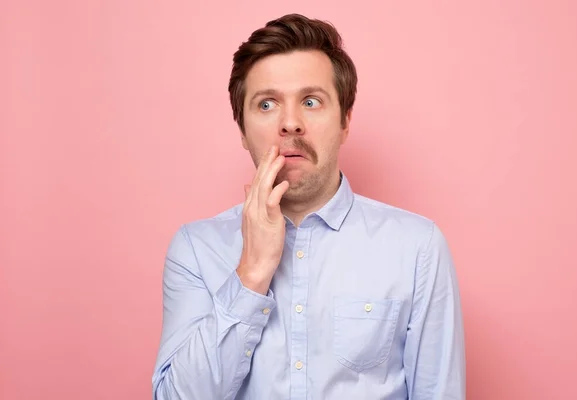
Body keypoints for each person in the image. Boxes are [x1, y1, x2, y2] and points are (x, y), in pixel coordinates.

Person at [151, 13, 466, 400]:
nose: (290, 124)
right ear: (242, 131)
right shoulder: (196, 249)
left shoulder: (418, 248)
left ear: (345, 120)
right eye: (266, 104)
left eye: (311, 101)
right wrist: (252, 272)